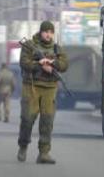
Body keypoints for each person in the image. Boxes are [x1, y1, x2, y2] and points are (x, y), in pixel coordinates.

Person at [18, 20, 69, 165]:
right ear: (41, 32)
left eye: (51, 32)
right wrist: (39, 65)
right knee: (27, 119)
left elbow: (64, 65)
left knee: (47, 121)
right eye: (46, 31)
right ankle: (23, 145)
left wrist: (52, 63)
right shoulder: (30, 45)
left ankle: (44, 153)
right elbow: (24, 63)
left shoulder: (57, 49)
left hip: (50, 87)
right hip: (32, 86)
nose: (48, 34)